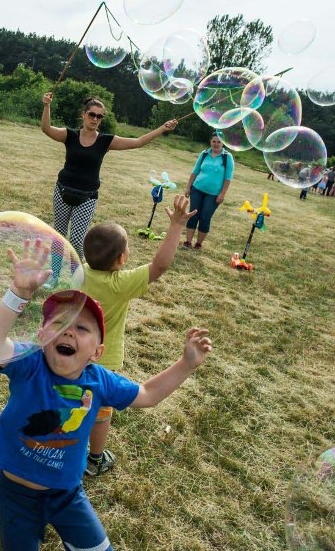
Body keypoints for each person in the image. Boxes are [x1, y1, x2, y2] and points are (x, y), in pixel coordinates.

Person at [0, 239, 213, 551]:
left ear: (97, 352)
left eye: (82, 328)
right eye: (60, 323)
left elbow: (147, 394)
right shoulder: (29, 364)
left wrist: (186, 364)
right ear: (42, 335)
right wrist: (19, 293)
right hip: (15, 494)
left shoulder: (100, 381)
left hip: (66, 494)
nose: (68, 332)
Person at [80, 194, 196, 476]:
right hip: (103, 361)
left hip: (72, 355)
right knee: (101, 412)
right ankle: (95, 459)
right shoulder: (121, 284)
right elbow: (159, 267)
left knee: (70, 401)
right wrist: (176, 226)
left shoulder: (77, 274)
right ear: (121, 259)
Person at [40, 92, 176, 279]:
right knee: (59, 236)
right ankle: (54, 275)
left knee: (78, 241)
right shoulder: (69, 135)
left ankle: (76, 279)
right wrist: (47, 106)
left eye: (99, 116)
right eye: (92, 115)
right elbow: (46, 129)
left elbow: (138, 142)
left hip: (87, 197)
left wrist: (162, 128)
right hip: (62, 190)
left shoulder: (105, 141)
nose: (95, 119)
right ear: (83, 115)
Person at [183, 133, 234, 250]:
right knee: (193, 215)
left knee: (205, 217)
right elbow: (195, 171)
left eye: (218, 142)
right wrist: (188, 187)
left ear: (222, 143)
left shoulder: (227, 157)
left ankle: (199, 243)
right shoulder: (204, 153)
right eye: (214, 141)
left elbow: (228, 178)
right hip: (197, 189)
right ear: (210, 142)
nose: (216, 144)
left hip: (213, 194)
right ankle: (188, 241)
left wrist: (222, 194)